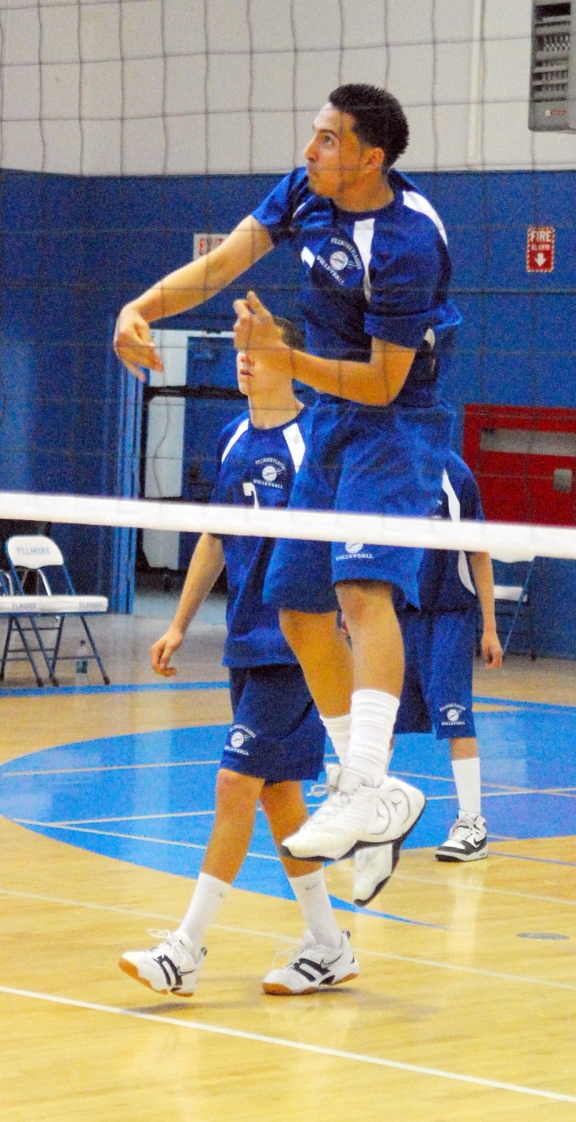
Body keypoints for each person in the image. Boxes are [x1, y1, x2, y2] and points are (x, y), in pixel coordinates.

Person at [114, 84, 460, 870]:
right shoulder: (306, 191)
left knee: (361, 592)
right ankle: (367, 797)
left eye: (329, 141)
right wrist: (140, 306)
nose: (310, 152)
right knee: (297, 606)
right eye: (313, 135)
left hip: (398, 424)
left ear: (371, 157)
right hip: (333, 418)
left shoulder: (410, 242)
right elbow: (223, 263)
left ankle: (367, 780)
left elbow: (382, 384)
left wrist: (282, 359)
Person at [119, 320, 359, 997]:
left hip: (296, 642)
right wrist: (178, 623)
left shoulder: (313, 440)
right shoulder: (229, 438)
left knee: (234, 785)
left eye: (257, 350)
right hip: (246, 639)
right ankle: (329, 945)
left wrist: (344, 615)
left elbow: (349, 535)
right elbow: (215, 537)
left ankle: (185, 949)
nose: (244, 361)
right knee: (280, 795)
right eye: (238, 351)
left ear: (288, 359)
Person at [352, 453, 503, 907]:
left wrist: (490, 628)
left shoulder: (455, 476)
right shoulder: (382, 470)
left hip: (449, 615)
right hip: (395, 613)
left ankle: (472, 822)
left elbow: (479, 552)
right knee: (383, 719)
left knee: (455, 717)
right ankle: (375, 820)